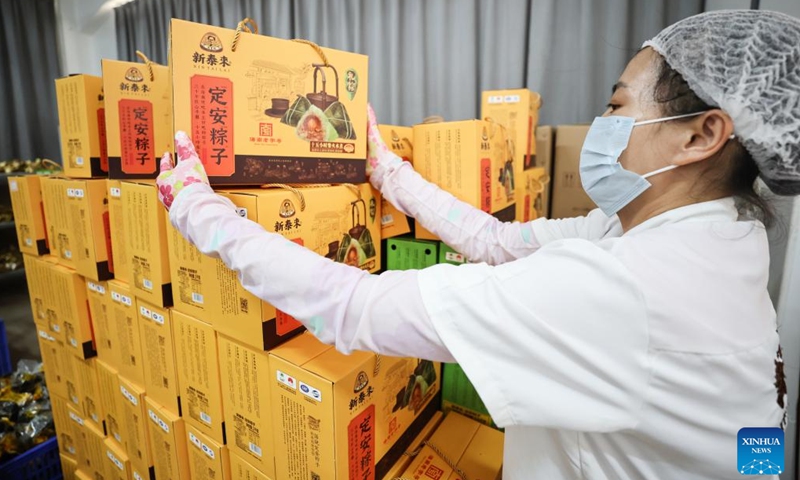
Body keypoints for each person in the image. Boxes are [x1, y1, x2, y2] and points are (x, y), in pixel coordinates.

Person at [156, 10, 800, 479]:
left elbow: (355, 307)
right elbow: (496, 240)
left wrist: (203, 212)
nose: (601, 125)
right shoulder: (709, 239)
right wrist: (390, 175)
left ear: (701, 136)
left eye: (616, 105)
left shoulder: (628, 287)